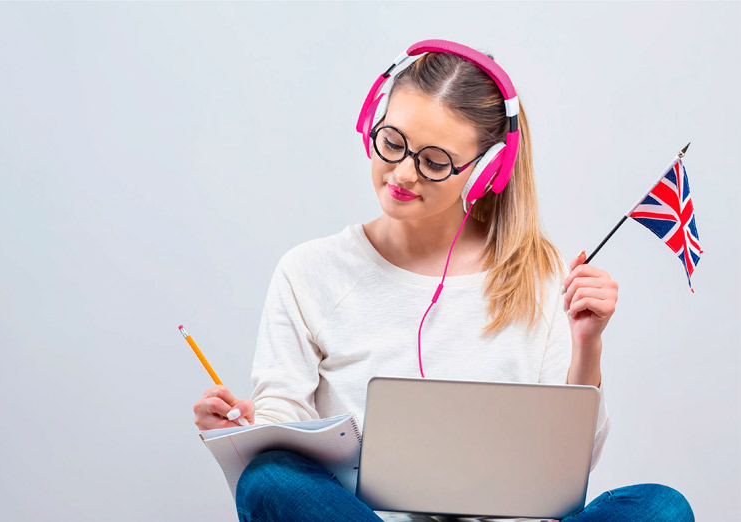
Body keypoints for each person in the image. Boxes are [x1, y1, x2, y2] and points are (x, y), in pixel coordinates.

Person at [192, 40, 695, 522]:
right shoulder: (308, 271)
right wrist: (247, 429)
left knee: (662, 507)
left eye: (434, 161)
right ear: (373, 122)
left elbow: (570, 467)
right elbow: (286, 428)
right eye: (391, 142)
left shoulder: (538, 274)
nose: (403, 173)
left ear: (487, 172)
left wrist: (588, 345)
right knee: (269, 480)